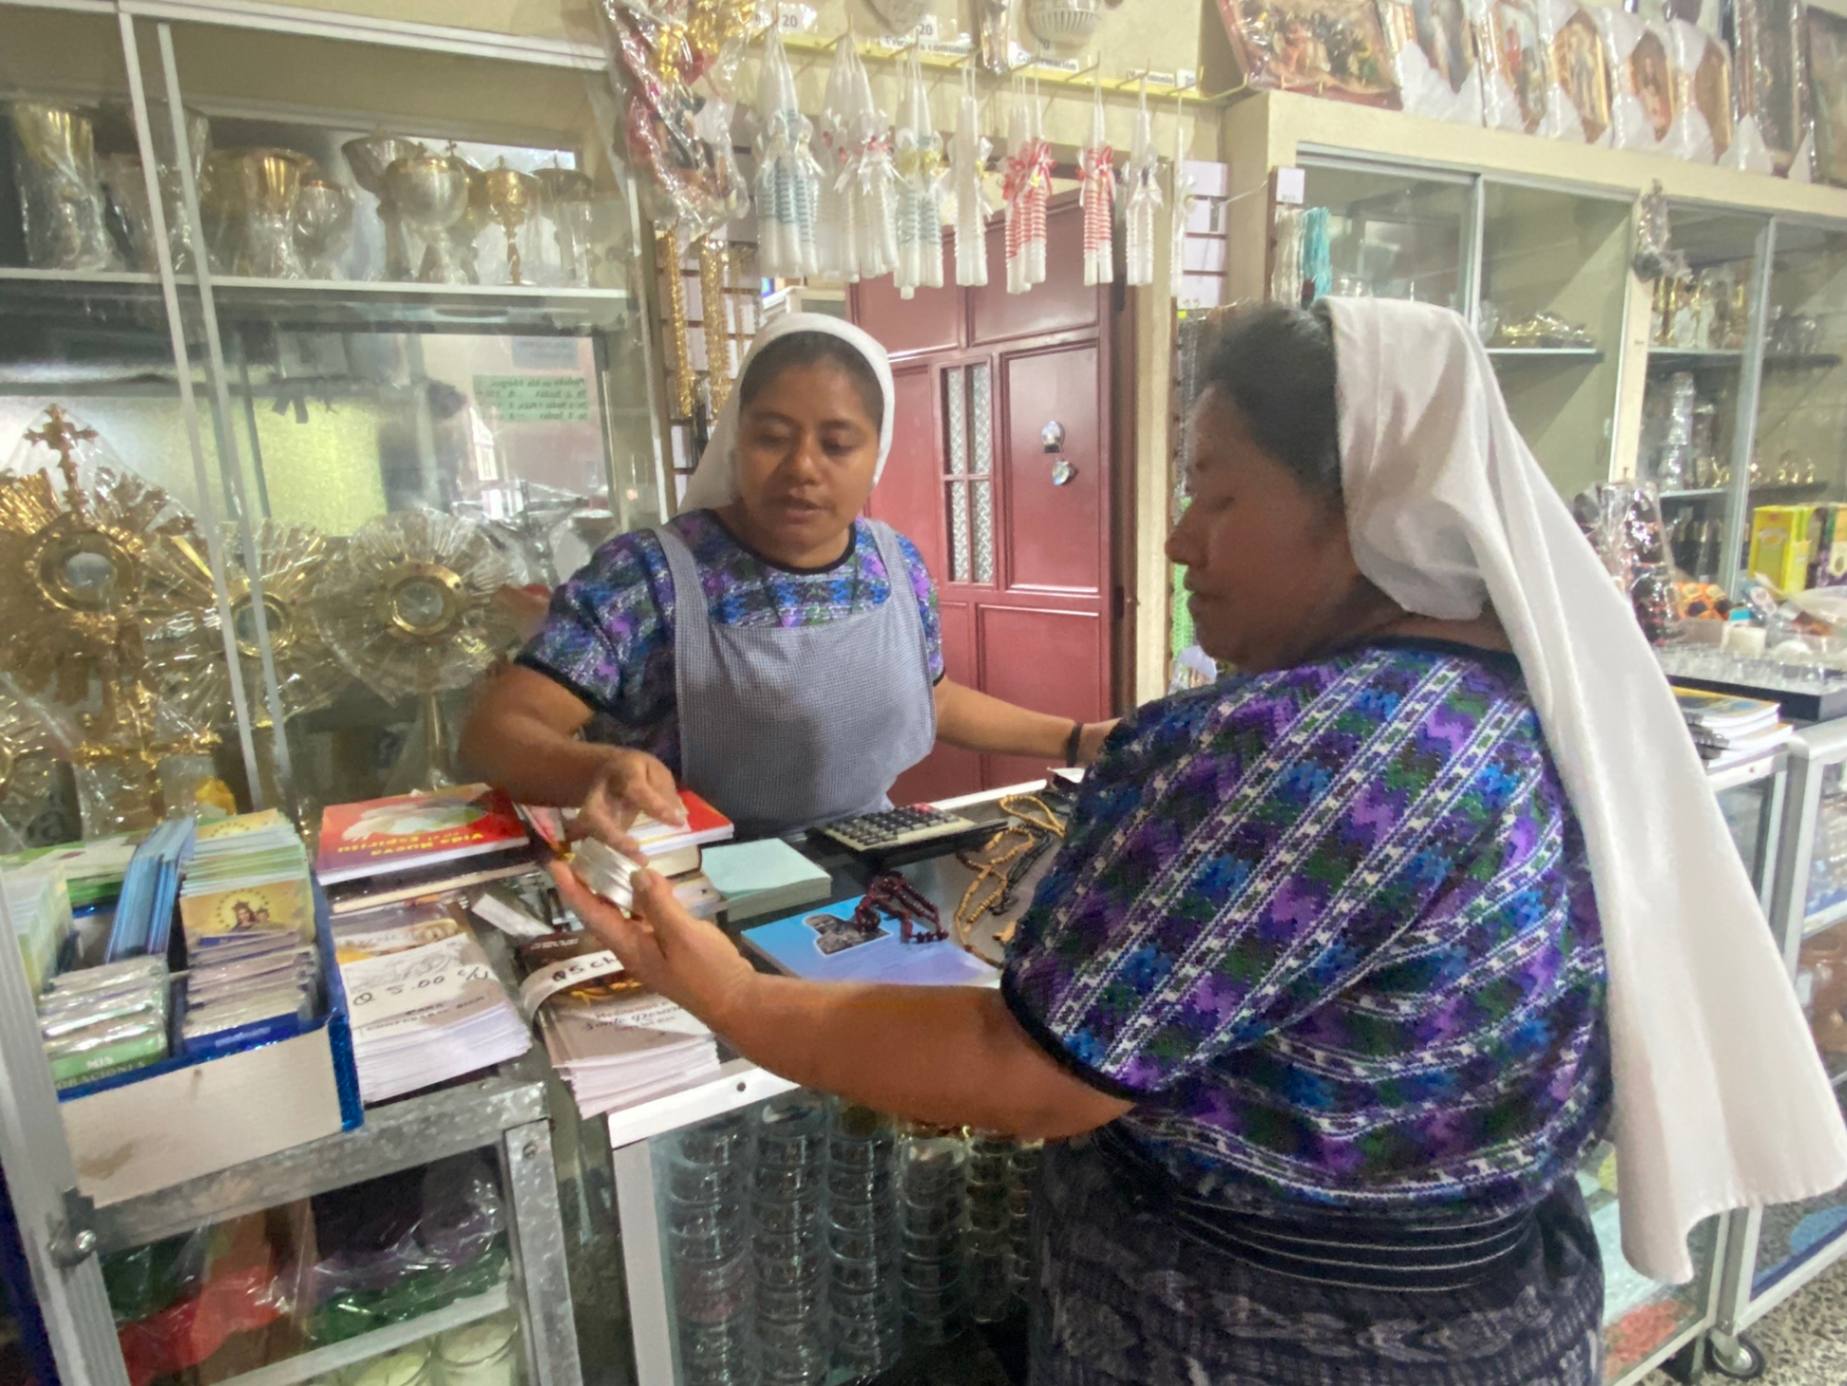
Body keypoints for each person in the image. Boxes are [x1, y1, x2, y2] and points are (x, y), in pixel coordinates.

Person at [551, 300, 1847, 1383]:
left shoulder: (1298, 743)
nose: (1174, 540)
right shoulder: (1526, 698)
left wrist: (720, 986)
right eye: (775, 435)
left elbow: (1027, 1069)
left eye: (1212, 497)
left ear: (1360, 507)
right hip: (1506, 1318)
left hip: (1253, 1341)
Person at [461, 313, 1113, 845]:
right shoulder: (647, 578)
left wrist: (1075, 740)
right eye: (772, 436)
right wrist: (597, 768)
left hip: (867, 860)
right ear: (737, 441)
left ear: (875, 456)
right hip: (690, 881)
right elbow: (496, 734)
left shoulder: (893, 565)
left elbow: (932, 698)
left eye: (836, 444)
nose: (802, 466)